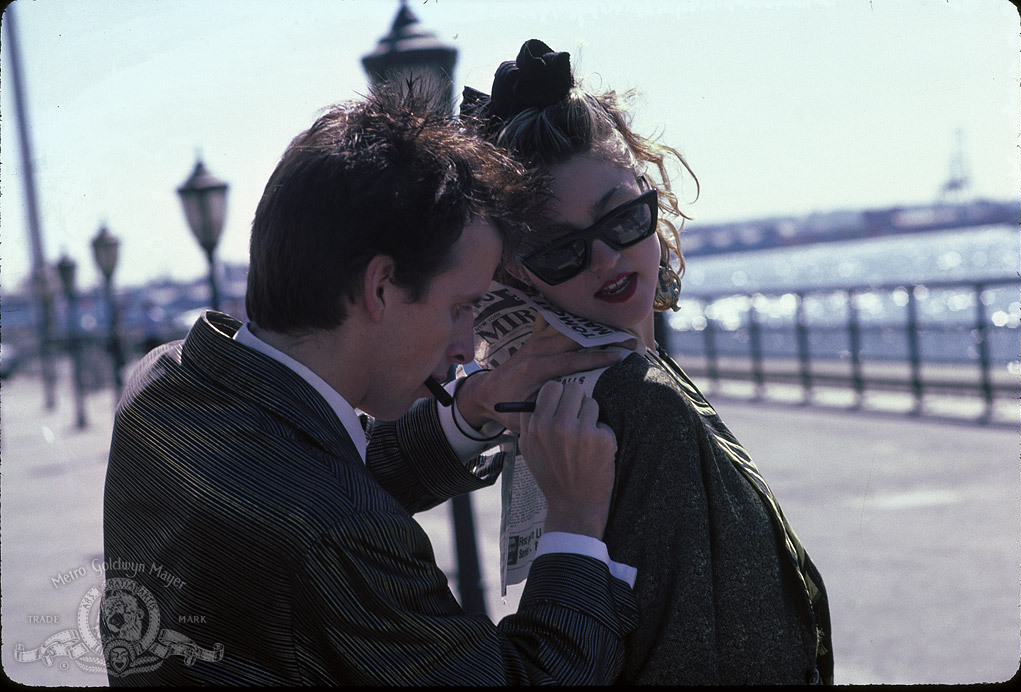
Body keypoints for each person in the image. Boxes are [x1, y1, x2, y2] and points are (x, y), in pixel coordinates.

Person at [101, 84, 639, 685]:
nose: (469, 346)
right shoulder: (334, 535)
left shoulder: (163, 383)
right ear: (380, 287)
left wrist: (468, 411)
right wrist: (574, 521)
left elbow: (305, 465)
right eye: (462, 306)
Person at [455, 40, 834, 685]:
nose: (606, 259)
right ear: (513, 275)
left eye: (622, 218)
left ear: (651, 198)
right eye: (560, 250)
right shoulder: (636, 402)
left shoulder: (604, 388)